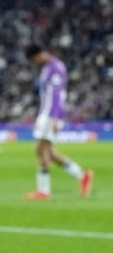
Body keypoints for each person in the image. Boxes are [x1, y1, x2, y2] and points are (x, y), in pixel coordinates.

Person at [24, 45, 94, 199]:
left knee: (42, 150)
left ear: (39, 55)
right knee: (47, 152)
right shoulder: (48, 67)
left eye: (34, 60)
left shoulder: (55, 68)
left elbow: (57, 95)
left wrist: (55, 117)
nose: (34, 63)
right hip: (46, 113)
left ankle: (43, 190)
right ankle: (82, 175)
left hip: (50, 115)